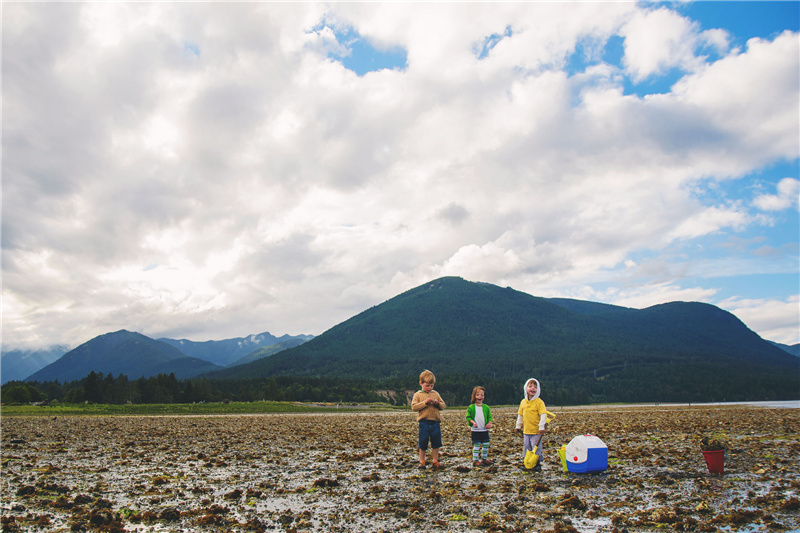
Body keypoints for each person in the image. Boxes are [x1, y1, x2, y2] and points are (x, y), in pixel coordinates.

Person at [411, 369, 446, 468]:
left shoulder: (436, 394)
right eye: (427, 385)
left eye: (431, 386)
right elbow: (414, 407)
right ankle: (422, 461)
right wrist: (424, 403)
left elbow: (443, 406)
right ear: (421, 383)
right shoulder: (417, 395)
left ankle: (435, 461)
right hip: (423, 422)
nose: (429, 388)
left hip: (435, 422)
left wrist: (437, 403)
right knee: (423, 442)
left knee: (436, 442)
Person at [515, 378, 547, 472]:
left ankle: (536, 464)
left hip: (536, 431)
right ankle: (527, 464)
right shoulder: (523, 402)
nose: (533, 388)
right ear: (526, 388)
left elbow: (543, 415)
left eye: (535, 387)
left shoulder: (539, 402)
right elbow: (520, 415)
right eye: (530, 386)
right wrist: (518, 426)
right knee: (527, 448)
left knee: (536, 448)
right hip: (526, 431)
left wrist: (542, 427)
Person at [465, 386, 493, 466]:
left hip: (484, 430)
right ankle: (475, 460)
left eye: (482, 395)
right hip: (475, 430)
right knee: (476, 445)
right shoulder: (471, 407)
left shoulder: (486, 407)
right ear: (474, 396)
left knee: (486, 444)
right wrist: (472, 422)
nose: (480, 397)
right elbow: (468, 417)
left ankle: (484, 459)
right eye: (478, 395)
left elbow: (489, 417)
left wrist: (489, 423)